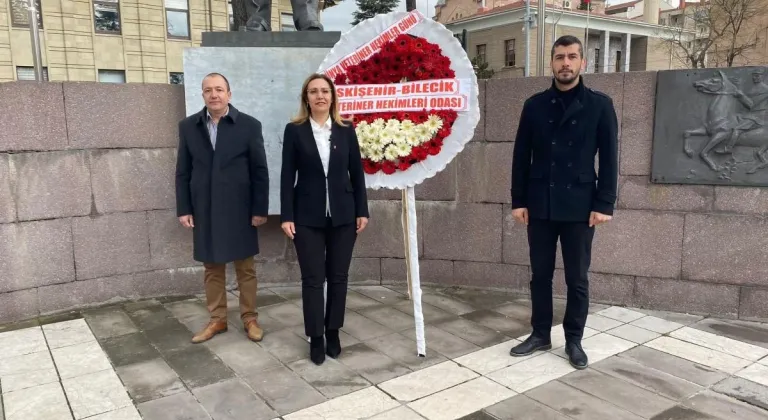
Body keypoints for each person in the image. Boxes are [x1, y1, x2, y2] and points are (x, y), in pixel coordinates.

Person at [509, 35, 618, 369]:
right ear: (552, 63)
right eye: (559, 57)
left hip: (581, 206)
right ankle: (540, 334)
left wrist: (605, 204)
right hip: (540, 203)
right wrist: (519, 200)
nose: (565, 63)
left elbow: (611, 158)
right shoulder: (534, 105)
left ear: (582, 62)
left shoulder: (600, 105)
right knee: (539, 274)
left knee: (577, 278)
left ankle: (574, 339)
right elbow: (520, 157)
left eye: (572, 57)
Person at [280, 73, 369, 365]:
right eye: (314, 91)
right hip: (307, 216)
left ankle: (333, 331)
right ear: (306, 98)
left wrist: (362, 210)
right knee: (313, 279)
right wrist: (287, 215)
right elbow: (285, 176)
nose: (320, 96)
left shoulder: (346, 130)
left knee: (339, 277)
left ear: (332, 97)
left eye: (325, 91)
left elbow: (356, 172)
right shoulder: (295, 131)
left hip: (344, 215)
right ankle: (315, 337)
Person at [175, 72, 270, 344]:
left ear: (229, 94)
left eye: (219, 89)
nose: (214, 95)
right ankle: (217, 319)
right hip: (204, 207)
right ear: (202, 95)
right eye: (208, 90)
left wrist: (259, 209)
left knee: (245, 268)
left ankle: (249, 318)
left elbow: (259, 170)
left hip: (240, 208)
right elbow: (183, 171)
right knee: (212, 267)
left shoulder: (249, 125)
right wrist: (185, 208)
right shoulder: (188, 126)